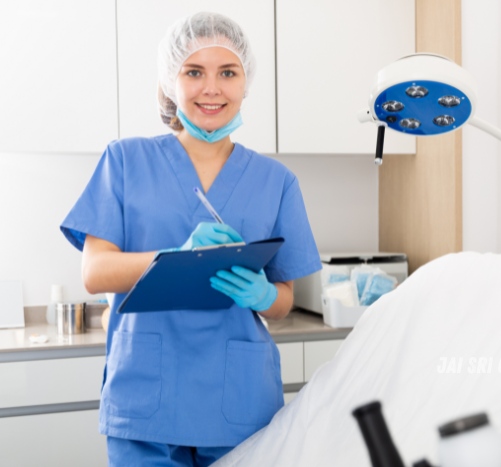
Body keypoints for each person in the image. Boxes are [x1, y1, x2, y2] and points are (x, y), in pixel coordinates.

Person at [60, 11, 321, 466]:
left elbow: (283, 301)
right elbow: (94, 272)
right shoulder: (125, 161)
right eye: (194, 71)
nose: (212, 88)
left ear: (245, 83)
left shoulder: (276, 181)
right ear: (170, 80)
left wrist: (261, 294)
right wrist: (175, 257)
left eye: (228, 72)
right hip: (147, 398)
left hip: (237, 401)